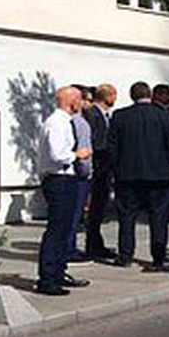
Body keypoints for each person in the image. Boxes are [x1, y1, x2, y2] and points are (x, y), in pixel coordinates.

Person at [107, 81, 169, 269]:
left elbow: (113, 148)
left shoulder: (120, 116)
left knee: (127, 216)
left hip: (128, 175)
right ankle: (158, 257)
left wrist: (116, 170)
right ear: (149, 95)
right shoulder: (164, 116)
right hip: (159, 175)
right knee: (159, 217)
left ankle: (125, 255)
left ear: (132, 96)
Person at [35, 86, 93, 295]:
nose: (81, 104)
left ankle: (58, 272)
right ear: (72, 102)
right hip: (59, 179)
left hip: (63, 178)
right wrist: (78, 154)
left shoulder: (62, 122)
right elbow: (57, 154)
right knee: (57, 229)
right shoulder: (58, 123)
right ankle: (48, 278)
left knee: (65, 228)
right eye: (78, 99)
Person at [81, 83, 118, 261]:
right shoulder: (93, 114)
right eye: (113, 95)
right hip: (98, 167)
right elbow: (94, 141)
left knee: (100, 208)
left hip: (104, 169)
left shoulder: (103, 115)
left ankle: (96, 243)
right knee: (95, 208)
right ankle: (92, 245)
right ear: (108, 96)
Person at [65, 85, 94, 263]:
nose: (89, 104)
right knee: (74, 215)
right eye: (88, 100)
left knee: (69, 215)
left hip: (67, 174)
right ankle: (70, 249)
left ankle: (68, 247)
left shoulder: (62, 121)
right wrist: (87, 172)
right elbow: (84, 151)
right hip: (78, 175)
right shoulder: (81, 123)